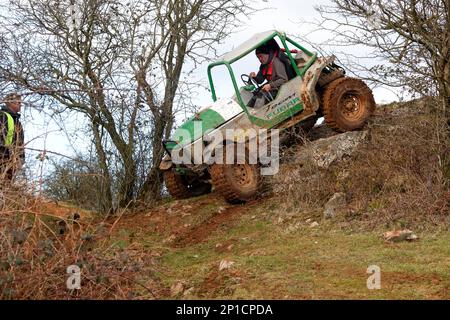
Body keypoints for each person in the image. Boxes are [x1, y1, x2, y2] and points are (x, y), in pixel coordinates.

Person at [248, 43, 290, 109]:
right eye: (258, 57)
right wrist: (254, 77)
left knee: (262, 96)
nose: (260, 59)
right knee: (254, 97)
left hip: (281, 89)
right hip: (272, 89)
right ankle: (248, 114)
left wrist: (270, 85)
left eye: (261, 56)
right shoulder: (264, 66)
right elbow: (260, 80)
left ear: (267, 54)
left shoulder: (276, 62)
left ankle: (258, 115)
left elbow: (284, 79)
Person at [0, 93, 25, 182]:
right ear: (11, 103)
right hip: (4, 159)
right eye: (18, 102)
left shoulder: (17, 121)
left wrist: (20, 159)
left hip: (11, 162)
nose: (20, 105)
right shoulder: (2, 116)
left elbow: (19, 143)